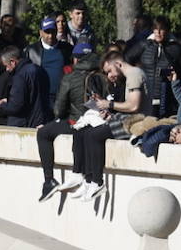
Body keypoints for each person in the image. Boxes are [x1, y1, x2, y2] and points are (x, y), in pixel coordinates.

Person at [63, 52, 147, 201]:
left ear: (118, 64)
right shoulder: (129, 77)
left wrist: (108, 104)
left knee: (93, 135)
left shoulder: (134, 74)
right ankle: (87, 179)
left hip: (135, 123)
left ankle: (97, 181)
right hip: (125, 119)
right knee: (82, 131)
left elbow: (134, 106)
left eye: (109, 71)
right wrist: (107, 111)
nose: (109, 76)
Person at [35, 42, 104, 201]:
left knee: (43, 133)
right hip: (99, 123)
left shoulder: (70, 77)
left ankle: (49, 180)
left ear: (75, 59)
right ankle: (86, 179)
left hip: (76, 123)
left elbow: (58, 110)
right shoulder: (102, 74)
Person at [0, 47, 51, 127]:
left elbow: (16, 106)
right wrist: (8, 100)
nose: (6, 69)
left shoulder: (20, 76)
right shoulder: (41, 70)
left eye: (6, 66)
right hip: (43, 122)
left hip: (25, 125)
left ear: (12, 62)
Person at [26, 17, 74, 99]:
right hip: (40, 97)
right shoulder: (31, 51)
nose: (50, 35)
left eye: (53, 31)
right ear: (41, 33)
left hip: (62, 97)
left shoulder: (67, 49)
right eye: (47, 32)